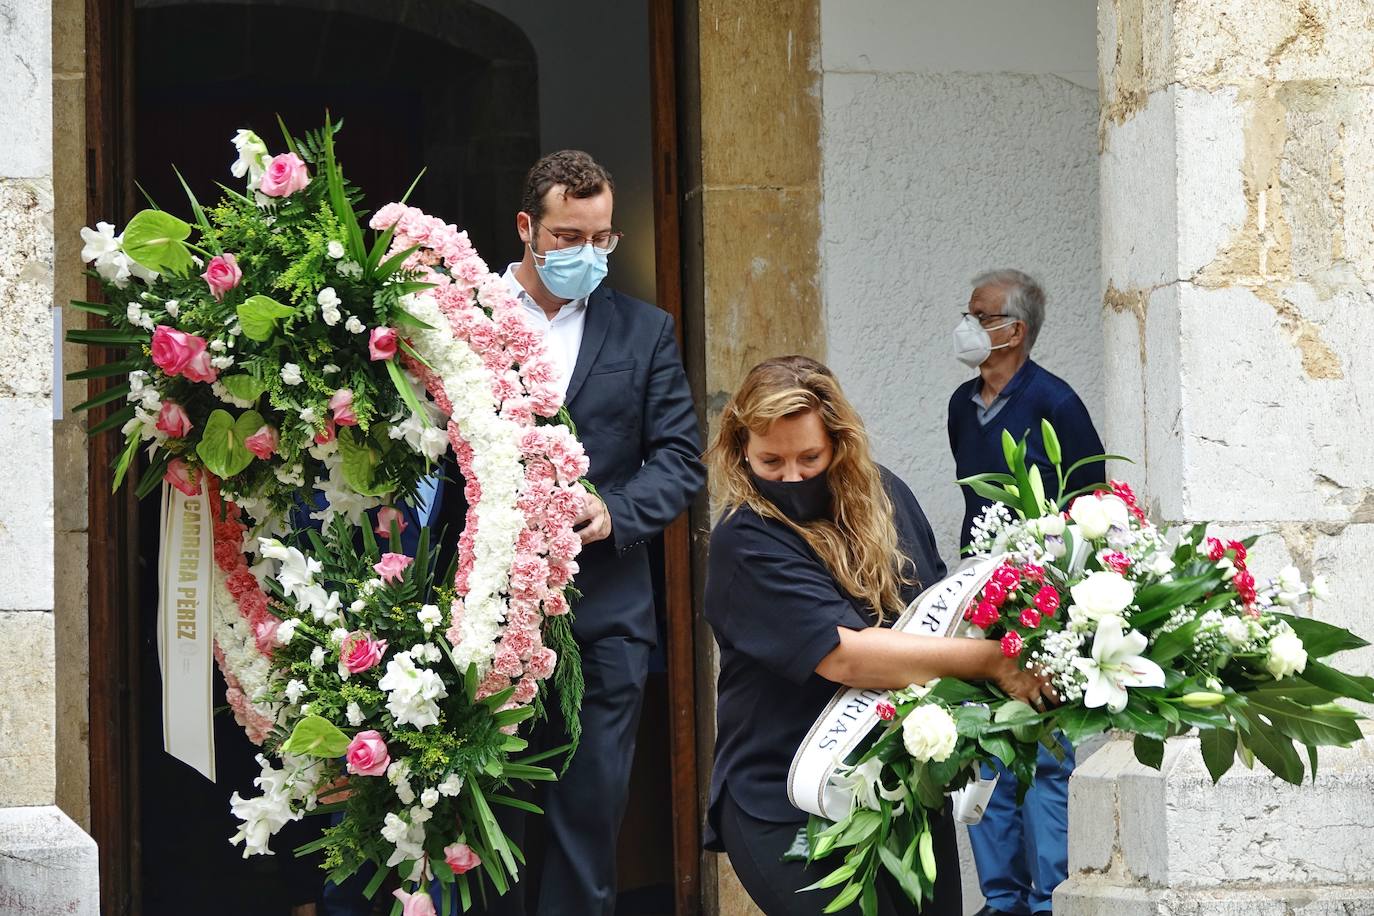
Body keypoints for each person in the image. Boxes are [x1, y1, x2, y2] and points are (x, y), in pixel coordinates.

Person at [704, 355, 1055, 916]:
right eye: (771, 461)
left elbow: (938, 610)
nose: (793, 476)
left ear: (838, 442)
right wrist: (994, 661)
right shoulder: (744, 542)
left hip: (899, 789)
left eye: (809, 457)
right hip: (788, 799)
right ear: (739, 448)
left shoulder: (884, 496)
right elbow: (846, 656)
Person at [467, 149, 706, 915]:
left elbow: (679, 458)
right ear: (526, 227)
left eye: (602, 239)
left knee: (588, 821)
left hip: (605, 617)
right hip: (481, 617)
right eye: (568, 237)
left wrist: (614, 510)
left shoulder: (645, 331)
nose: (586, 255)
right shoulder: (460, 319)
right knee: (483, 829)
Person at [947, 269, 1105, 916]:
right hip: (978, 591)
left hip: (1043, 600)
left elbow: (1094, 500)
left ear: (1015, 329)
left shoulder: (1056, 403)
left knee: (1043, 750)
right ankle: (1001, 898)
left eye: (981, 315)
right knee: (985, 742)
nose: (968, 325)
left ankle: (1048, 897)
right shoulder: (962, 403)